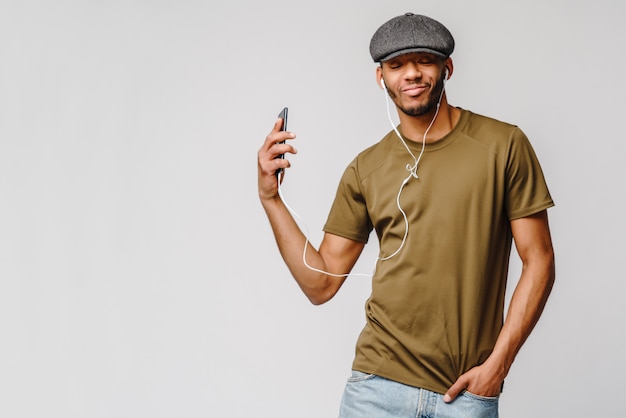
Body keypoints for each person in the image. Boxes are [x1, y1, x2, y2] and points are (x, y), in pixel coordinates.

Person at [257, 12, 555, 418]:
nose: (411, 74)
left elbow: (539, 260)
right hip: (376, 389)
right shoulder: (367, 168)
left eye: (424, 61)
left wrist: (498, 366)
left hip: (466, 393)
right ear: (381, 77)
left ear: (447, 68)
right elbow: (320, 283)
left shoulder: (503, 145)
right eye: (397, 65)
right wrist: (270, 199)